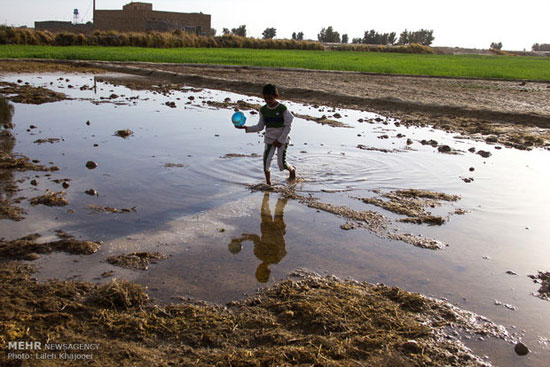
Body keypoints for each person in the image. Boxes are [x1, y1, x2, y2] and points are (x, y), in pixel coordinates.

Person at [235, 84, 296, 185]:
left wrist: (280, 140)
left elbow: (288, 126)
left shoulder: (282, 109)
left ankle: (292, 170)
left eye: (270, 98)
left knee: (281, 163)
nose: (268, 101)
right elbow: (260, 127)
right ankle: (268, 183)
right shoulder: (263, 110)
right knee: (266, 162)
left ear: (276, 97)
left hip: (282, 140)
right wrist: (245, 128)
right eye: (266, 98)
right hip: (269, 139)